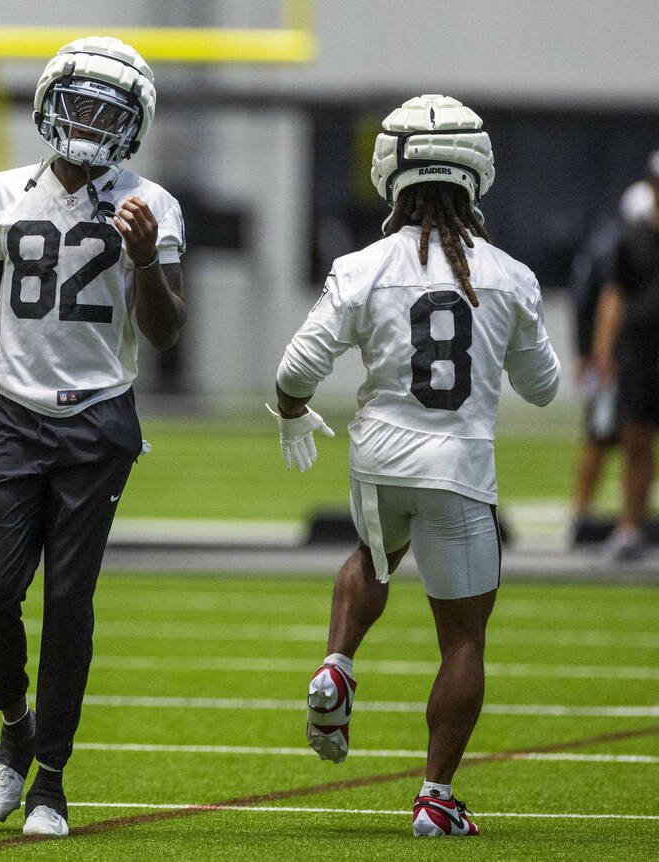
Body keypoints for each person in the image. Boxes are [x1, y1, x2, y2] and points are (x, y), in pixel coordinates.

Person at [269, 95, 560, 837]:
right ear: (476, 173)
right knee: (462, 639)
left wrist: (295, 412)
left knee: (374, 554)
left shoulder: (363, 266)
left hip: (378, 460)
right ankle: (435, 797)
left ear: (390, 174)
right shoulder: (508, 275)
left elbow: (294, 371)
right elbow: (544, 388)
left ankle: (337, 664)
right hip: (457, 468)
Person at [0, 36, 186, 838]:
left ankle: (49, 781)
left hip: (99, 419)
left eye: (107, 112)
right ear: (51, 104)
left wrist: (143, 261)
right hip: (15, 414)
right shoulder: (2, 192)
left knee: (69, 601)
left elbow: (166, 332)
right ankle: (16, 727)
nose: (89, 122)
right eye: (79, 105)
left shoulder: (151, 203)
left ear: (132, 125)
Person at [568, 181, 654, 543]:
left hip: (626, 356)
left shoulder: (607, 246)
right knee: (602, 433)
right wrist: (591, 353)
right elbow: (594, 302)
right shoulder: (612, 249)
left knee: (614, 436)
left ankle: (605, 516)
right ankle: (584, 515)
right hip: (618, 358)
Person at [591, 153, 659, 562]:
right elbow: (613, 295)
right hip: (640, 351)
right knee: (635, 442)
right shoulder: (632, 238)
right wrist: (603, 351)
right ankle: (630, 527)